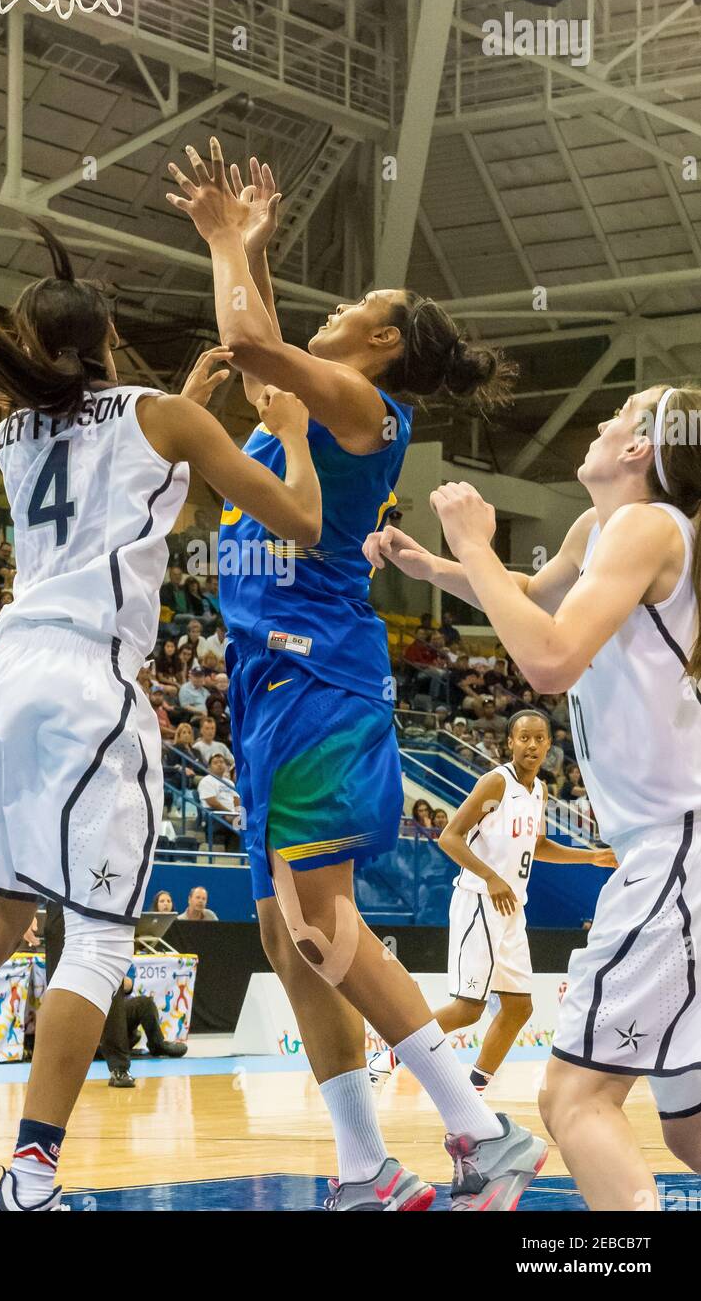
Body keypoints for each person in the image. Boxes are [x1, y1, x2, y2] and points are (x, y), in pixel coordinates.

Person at [0, 217, 320, 1214]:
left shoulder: (14, 430)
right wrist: (293, 435)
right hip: (85, 688)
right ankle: (32, 1176)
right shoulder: (161, 419)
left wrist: (185, 403)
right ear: (110, 333)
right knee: (95, 941)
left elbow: (110, 463)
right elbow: (297, 518)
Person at [164, 137, 544, 1212]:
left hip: (313, 671)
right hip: (263, 676)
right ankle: (364, 1165)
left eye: (350, 310)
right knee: (289, 935)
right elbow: (264, 344)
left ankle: (479, 1132)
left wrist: (226, 243)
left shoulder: (364, 410)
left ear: (377, 341)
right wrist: (254, 251)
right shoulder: (320, 399)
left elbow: (249, 340)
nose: (324, 317)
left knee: (322, 920)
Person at [366, 383, 701, 1212]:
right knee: (692, 1130)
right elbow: (531, 597)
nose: (598, 421)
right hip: (670, 851)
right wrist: (437, 566)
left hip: (677, 852)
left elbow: (547, 661)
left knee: (569, 1100)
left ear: (639, 449)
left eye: (617, 413)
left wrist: (472, 537)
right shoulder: (603, 531)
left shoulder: (647, 526)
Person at [432, 709, 615, 1095]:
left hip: (512, 907)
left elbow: (539, 845)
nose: (531, 745)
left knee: (519, 1008)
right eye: (524, 738)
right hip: (479, 899)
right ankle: (385, 1058)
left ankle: (473, 1094)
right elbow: (449, 837)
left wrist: (591, 856)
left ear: (549, 745)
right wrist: (492, 878)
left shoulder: (539, 790)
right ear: (510, 742)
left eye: (539, 739)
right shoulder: (495, 783)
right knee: (468, 1008)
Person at [100, 966, 188, 1089]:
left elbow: (128, 986)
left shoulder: (122, 955)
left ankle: (158, 1045)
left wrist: (111, 976)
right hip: (93, 1017)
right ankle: (117, 1066)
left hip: (116, 1014)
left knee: (145, 1004)